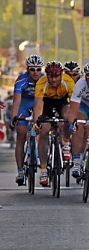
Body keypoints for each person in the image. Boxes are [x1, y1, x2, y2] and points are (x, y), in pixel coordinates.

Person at [32, 61, 75, 186]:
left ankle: (66, 144)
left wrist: (73, 122)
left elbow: (73, 104)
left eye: (56, 76)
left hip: (62, 102)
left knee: (68, 116)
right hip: (47, 104)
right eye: (51, 76)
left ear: (61, 75)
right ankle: (44, 170)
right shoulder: (41, 83)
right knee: (44, 130)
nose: (54, 79)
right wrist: (36, 122)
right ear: (47, 76)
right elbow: (37, 105)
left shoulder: (68, 82)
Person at [10, 54, 45, 185]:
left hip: (39, 103)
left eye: (38, 69)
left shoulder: (44, 80)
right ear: (27, 69)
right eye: (32, 69)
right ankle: (20, 171)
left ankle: (44, 166)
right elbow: (17, 102)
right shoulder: (21, 80)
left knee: (43, 131)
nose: (35, 72)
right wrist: (14, 118)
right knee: (21, 134)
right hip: (24, 104)